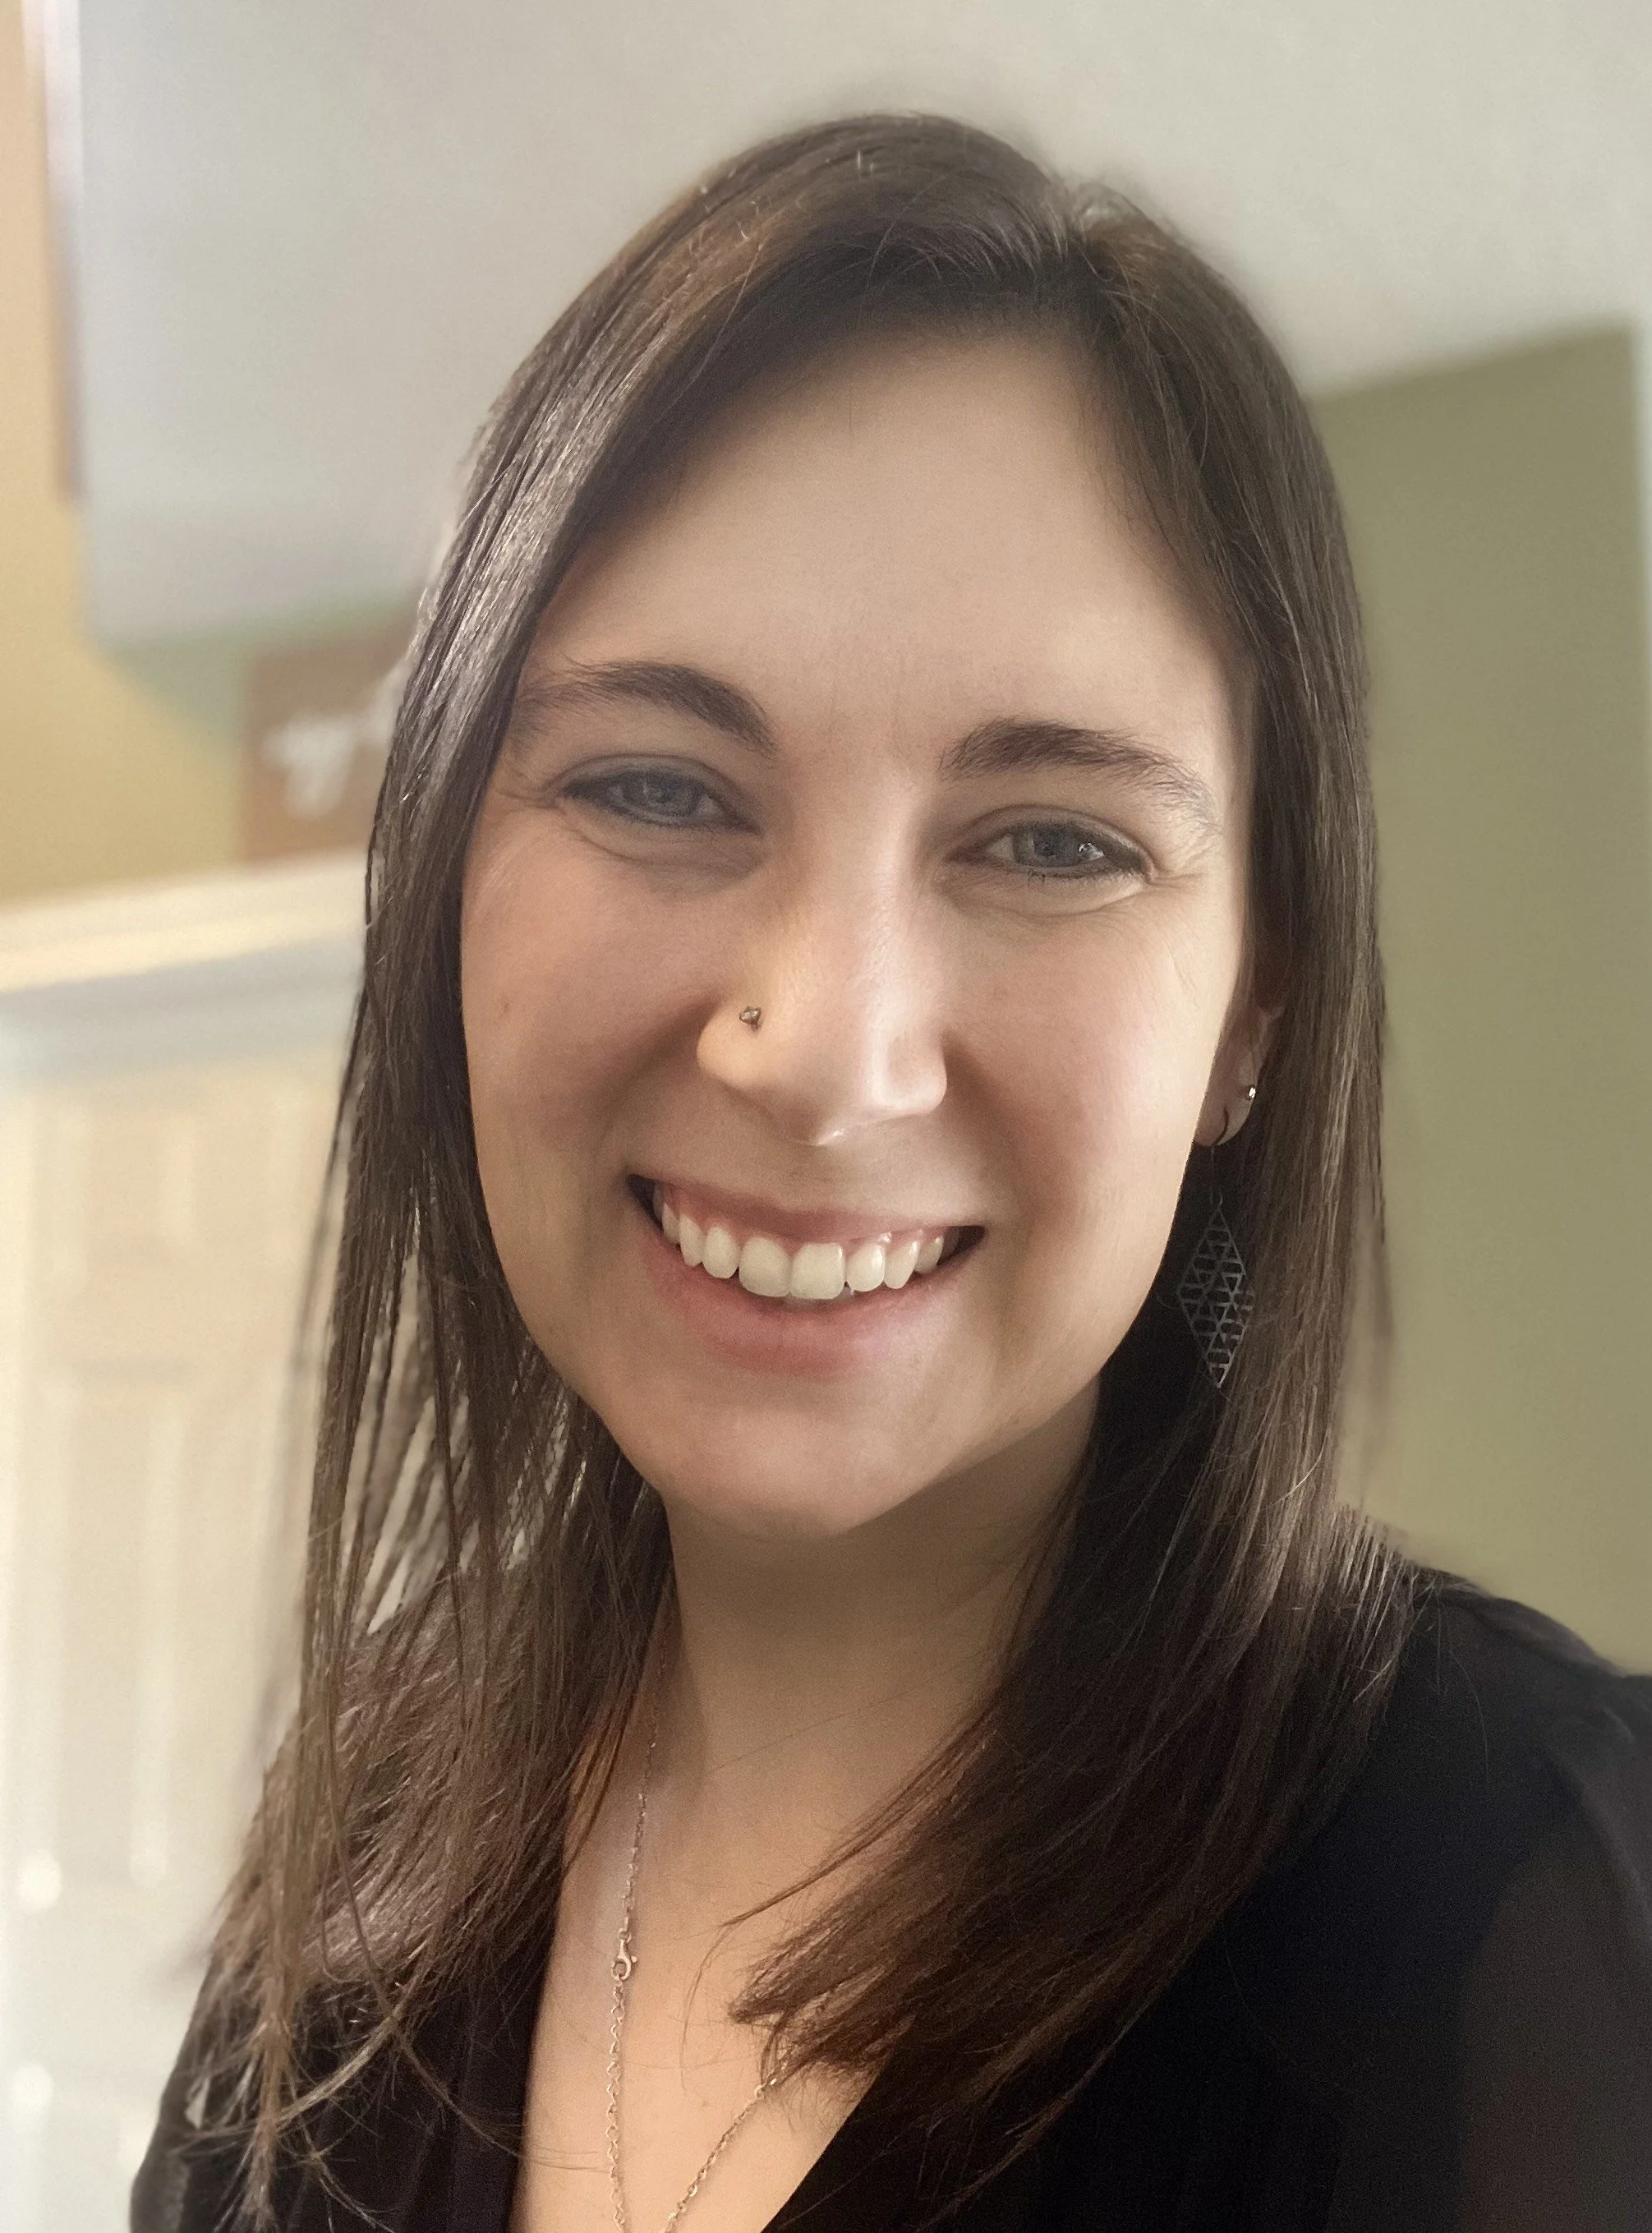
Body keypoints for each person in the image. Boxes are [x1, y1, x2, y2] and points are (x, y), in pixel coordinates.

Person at [133, 115, 1652, 2233]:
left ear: (1252, 1016)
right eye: (660, 785)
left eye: (1052, 840)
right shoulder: (371, 1824)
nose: (828, 1055)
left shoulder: (1553, 1913)